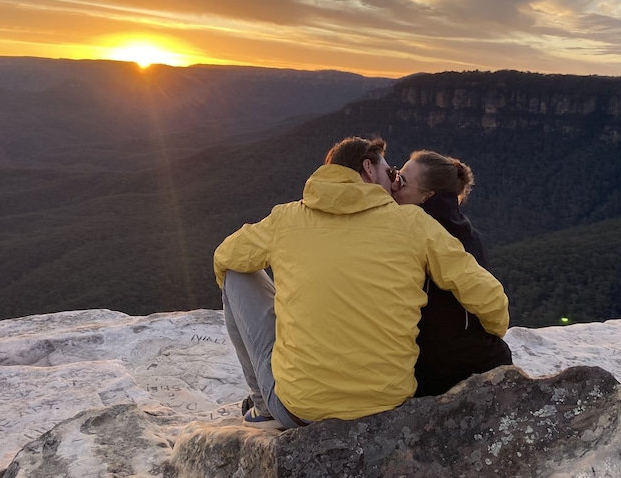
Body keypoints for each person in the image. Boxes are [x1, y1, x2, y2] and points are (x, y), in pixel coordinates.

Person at [214, 136, 509, 429]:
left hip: (300, 410)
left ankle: (264, 406)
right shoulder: (414, 224)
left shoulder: (286, 218)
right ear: (368, 169)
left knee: (235, 274)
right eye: (389, 172)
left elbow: (224, 256)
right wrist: (496, 329)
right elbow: (489, 294)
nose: (393, 182)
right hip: (387, 405)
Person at [392, 150, 513, 396]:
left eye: (402, 181)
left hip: (432, 377)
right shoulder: (470, 236)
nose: (394, 185)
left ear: (427, 196)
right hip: (483, 363)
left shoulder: (410, 237)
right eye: (395, 175)